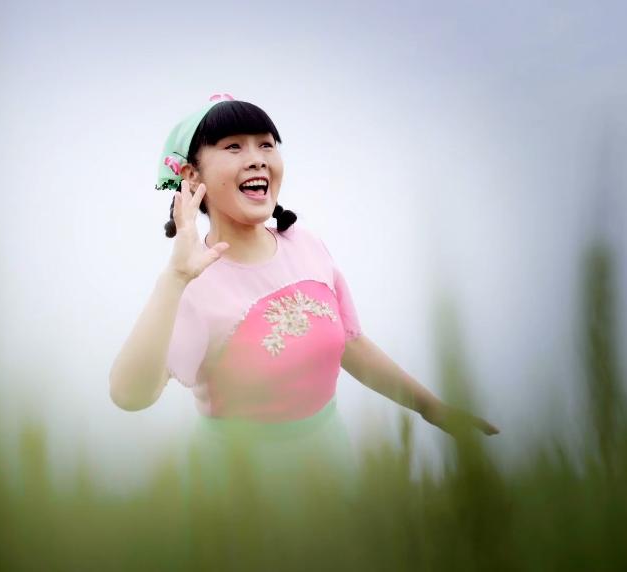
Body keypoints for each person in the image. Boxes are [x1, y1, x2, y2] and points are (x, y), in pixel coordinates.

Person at [109, 94, 499, 513]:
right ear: (191, 175)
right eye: (234, 146)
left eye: (266, 144)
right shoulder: (192, 286)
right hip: (240, 489)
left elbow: (351, 344)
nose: (257, 159)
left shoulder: (307, 246)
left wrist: (432, 409)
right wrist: (174, 279)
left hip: (330, 460)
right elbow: (130, 396)